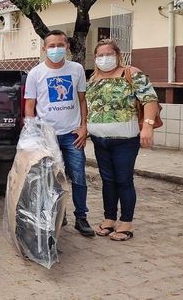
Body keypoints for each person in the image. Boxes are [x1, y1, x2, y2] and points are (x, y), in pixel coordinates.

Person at [86, 39, 159, 241]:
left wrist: (148, 126)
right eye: (99, 55)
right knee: (108, 181)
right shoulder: (92, 79)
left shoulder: (131, 73)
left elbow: (150, 99)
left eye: (108, 54)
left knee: (123, 180)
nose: (104, 59)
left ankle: (126, 222)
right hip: (100, 141)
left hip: (125, 141)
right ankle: (109, 219)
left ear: (117, 55)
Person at [24, 29, 95, 236]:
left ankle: (81, 218)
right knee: (52, 179)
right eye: (51, 46)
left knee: (79, 177)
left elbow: (82, 100)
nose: (56, 49)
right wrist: (32, 133)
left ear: (67, 47)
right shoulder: (35, 73)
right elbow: (30, 105)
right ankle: (59, 214)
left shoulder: (77, 69)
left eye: (60, 45)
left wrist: (84, 126)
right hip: (47, 137)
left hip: (72, 135)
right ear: (44, 48)